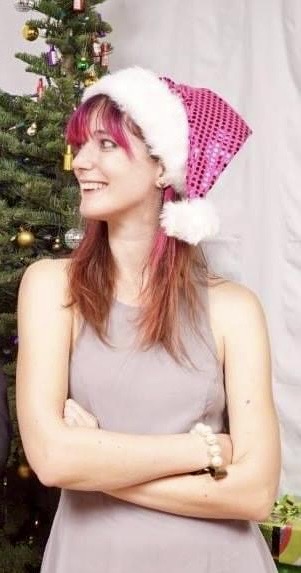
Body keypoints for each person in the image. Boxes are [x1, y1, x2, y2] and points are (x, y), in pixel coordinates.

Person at [16, 67, 281, 573]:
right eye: (80, 144)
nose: (81, 161)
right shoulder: (52, 287)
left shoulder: (233, 310)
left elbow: (256, 494)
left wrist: (95, 462)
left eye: (105, 145)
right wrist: (203, 449)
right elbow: (52, 459)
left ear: (164, 168)